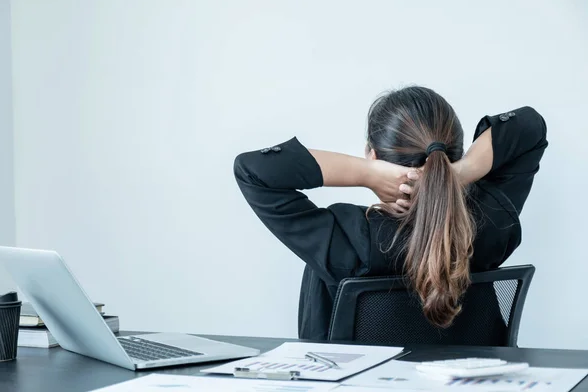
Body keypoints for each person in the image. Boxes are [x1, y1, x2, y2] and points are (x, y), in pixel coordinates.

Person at [234, 86, 548, 341]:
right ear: (453, 154)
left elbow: (254, 170)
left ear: (373, 154)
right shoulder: (487, 226)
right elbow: (530, 126)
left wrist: (366, 173)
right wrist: (461, 172)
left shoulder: (350, 239)